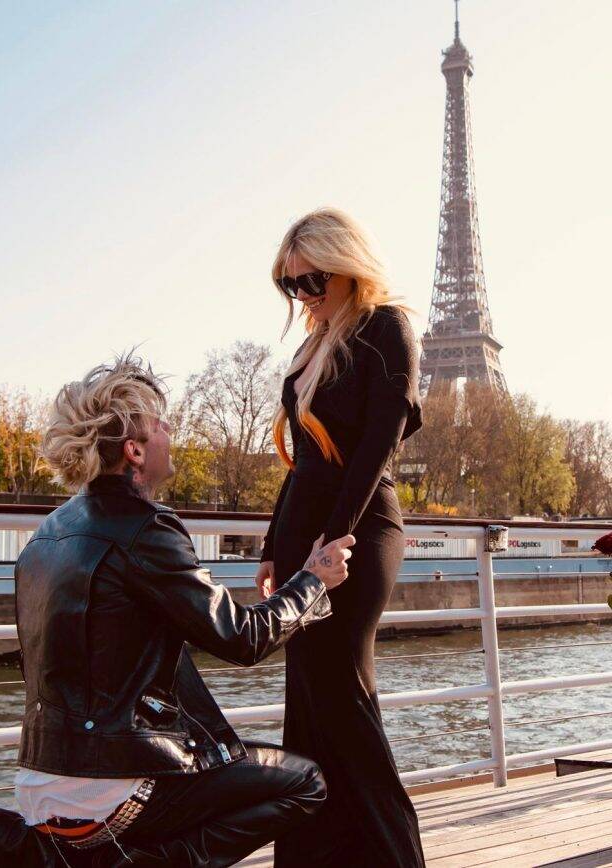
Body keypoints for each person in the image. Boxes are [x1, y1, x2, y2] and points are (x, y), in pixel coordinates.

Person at [0, 352, 356, 867]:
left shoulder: (46, 534)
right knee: (305, 783)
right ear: (134, 452)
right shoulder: (148, 528)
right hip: (114, 790)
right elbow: (243, 638)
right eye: (160, 425)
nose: (171, 431)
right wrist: (312, 579)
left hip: (38, 784)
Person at [254, 208, 426, 867]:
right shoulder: (310, 346)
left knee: (345, 699)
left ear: (347, 265)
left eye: (313, 278)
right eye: (290, 284)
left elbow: (373, 452)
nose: (303, 294)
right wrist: (274, 546)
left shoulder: (387, 327)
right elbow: (303, 463)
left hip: (358, 533)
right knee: (310, 706)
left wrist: (333, 543)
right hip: (306, 542)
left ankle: (395, 856)